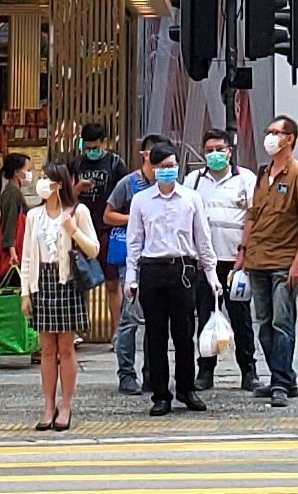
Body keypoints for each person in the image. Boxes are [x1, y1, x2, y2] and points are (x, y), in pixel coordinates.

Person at [125, 142, 220, 417]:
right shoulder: (141, 201)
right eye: (163, 167)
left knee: (184, 333)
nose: (169, 171)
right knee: (155, 334)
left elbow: (202, 238)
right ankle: (160, 394)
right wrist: (131, 278)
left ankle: (186, 388)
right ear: (153, 169)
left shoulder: (191, 198)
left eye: (172, 166)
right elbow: (134, 241)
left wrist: (211, 273)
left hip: (183, 269)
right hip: (152, 269)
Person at [243, 115, 298, 407]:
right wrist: (243, 252)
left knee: (281, 322)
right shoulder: (263, 174)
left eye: (277, 133)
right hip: (257, 260)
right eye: (269, 131)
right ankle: (283, 376)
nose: (270, 137)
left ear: (290, 139)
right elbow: (253, 216)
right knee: (262, 322)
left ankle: (280, 383)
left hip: (284, 261)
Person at [20, 162, 99, 431]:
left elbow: (94, 249)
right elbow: (28, 256)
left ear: (60, 184)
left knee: (65, 348)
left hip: (66, 283)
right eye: (41, 177)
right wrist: (25, 293)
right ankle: (47, 406)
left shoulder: (78, 212)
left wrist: (73, 229)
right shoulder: (34, 216)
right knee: (46, 350)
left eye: (47, 178)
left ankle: (65, 406)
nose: (41, 182)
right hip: (42, 283)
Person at [184, 129, 259, 392]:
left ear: (230, 151)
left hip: (234, 262)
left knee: (241, 317)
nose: (215, 155)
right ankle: (205, 369)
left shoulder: (245, 179)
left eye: (220, 149)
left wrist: (244, 252)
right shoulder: (193, 180)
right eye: (209, 150)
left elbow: (253, 217)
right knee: (205, 317)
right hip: (204, 263)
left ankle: (249, 370)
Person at [104, 133, 170, 395]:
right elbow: (108, 215)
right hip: (132, 260)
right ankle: (126, 374)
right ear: (145, 156)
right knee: (129, 319)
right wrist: (133, 219)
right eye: (158, 161)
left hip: (160, 260)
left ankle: (152, 373)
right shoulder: (129, 184)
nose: (164, 168)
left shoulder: (172, 186)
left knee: (156, 319)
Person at [71, 124, 129, 341]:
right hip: (80, 229)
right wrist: (77, 190)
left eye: (95, 147)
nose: (91, 151)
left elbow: (124, 196)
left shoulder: (115, 164)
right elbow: (67, 198)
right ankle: (77, 330)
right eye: (88, 148)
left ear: (105, 143)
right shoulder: (76, 164)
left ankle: (117, 332)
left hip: (107, 230)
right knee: (78, 281)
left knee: (112, 283)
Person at [0, 153, 32, 274]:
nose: (30, 174)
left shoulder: (14, 190)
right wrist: (12, 250)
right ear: (17, 172)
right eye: (28, 170)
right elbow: (9, 221)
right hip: (13, 250)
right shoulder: (12, 193)